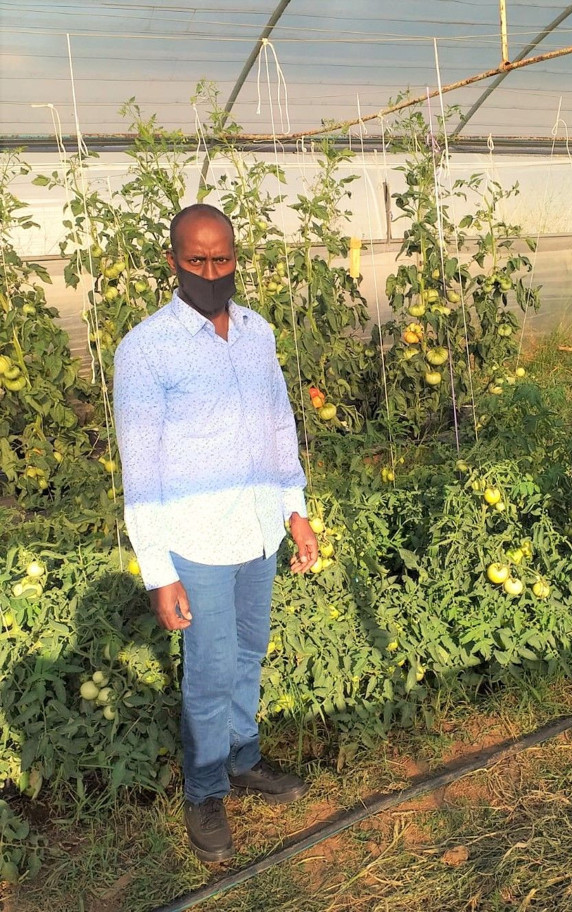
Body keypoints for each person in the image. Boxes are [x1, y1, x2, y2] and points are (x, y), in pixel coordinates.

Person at [113, 203, 318, 863]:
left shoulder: (258, 333)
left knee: (248, 654)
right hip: (196, 544)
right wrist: (158, 571)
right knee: (208, 672)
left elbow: (279, 423)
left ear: (235, 258)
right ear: (172, 261)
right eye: (196, 261)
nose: (210, 273)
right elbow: (141, 474)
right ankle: (204, 792)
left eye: (221, 259)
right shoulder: (146, 349)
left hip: (258, 534)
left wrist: (295, 510)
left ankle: (241, 758)